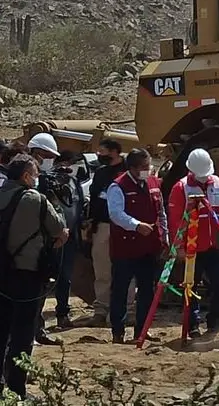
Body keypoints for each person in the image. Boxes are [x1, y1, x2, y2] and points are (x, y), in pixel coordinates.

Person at [0, 154, 68, 399]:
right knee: (22, 333)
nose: (38, 178)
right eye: (36, 173)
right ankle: (16, 388)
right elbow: (57, 229)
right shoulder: (34, 198)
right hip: (26, 273)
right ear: (26, 176)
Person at [167, 149, 219, 336]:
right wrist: (178, 246)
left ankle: (215, 321)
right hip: (192, 247)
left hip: (216, 245)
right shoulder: (181, 188)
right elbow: (175, 220)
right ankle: (192, 325)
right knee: (190, 286)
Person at [107, 148, 168, 344]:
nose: (148, 169)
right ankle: (118, 332)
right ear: (132, 168)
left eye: (149, 165)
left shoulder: (153, 184)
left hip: (149, 248)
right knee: (121, 290)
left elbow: (161, 212)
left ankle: (142, 329)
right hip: (126, 248)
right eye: (143, 167)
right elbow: (116, 214)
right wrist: (136, 225)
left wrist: (164, 236)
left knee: (147, 290)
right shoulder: (118, 186)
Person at [85, 138, 133, 327]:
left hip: (125, 226)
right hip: (103, 226)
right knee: (102, 269)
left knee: (127, 270)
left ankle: (128, 310)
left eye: (103, 151)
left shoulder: (129, 172)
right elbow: (95, 199)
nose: (100, 155)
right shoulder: (101, 173)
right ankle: (101, 310)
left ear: (114, 152)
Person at [27, 132, 65, 345]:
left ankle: (38, 329)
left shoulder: (43, 179)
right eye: (46, 155)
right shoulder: (23, 178)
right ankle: (28, 333)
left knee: (42, 287)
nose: (49, 160)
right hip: (30, 244)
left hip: (46, 242)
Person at [49, 150, 86, 329]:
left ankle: (62, 313)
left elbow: (78, 207)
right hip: (52, 239)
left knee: (65, 277)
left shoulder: (74, 182)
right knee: (47, 278)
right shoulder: (48, 182)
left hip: (71, 237)